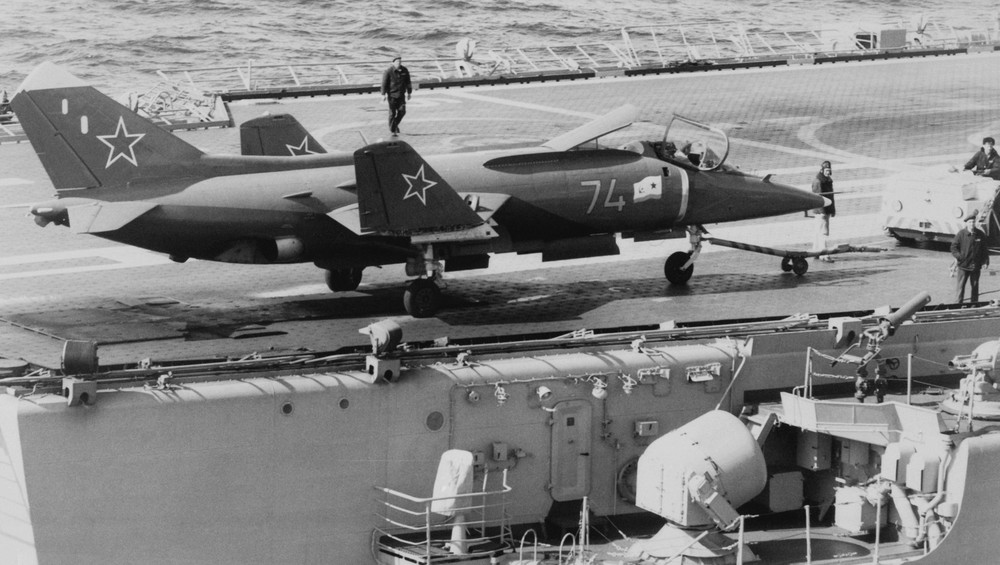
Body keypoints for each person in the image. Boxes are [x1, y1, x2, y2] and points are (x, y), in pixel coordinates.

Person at [950, 210, 990, 303]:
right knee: (960, 287)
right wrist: (960, 257)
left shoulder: (980, 234)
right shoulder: (961, 234)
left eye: (973, 222)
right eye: (970, 222)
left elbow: (984, 249)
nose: (972, 224)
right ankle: (957, 305)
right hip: (963, 266)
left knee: (975, 286)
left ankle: (974, 304)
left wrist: (985, 261)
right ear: (966, 223)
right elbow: (953, 247)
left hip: (976, 266)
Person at [380, 56, 412, 136]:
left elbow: (408, 82)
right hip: (392, 95)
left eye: (400, 61)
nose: (399, 63)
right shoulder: (388, 71)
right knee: (392, 113)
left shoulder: (404, 70)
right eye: (397, 62)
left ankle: (393, 126)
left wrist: (409, 93)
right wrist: (383, 94)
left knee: (402, 111)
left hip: (401, 95)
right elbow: (384, 84)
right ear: (393, 62)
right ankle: (393, 129)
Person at [811, 160, 836, 262]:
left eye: (829, 170)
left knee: (818, 231)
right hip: (821, 211)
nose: (828, 172)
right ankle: (824, 255)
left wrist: (832, 210)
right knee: (824, 232)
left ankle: (815, 252)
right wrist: (823, 212)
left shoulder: (827, 179)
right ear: (822, 170)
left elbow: (831, 196)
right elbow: (818, 199)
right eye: (826, 170)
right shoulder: (818, 181)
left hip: (825, 210)